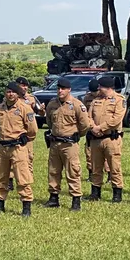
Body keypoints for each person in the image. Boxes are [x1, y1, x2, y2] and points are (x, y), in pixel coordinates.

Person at [44, 77, 91, 211]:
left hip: (69, 144)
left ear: (69, 90)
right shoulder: (52, 104)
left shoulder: (76, 104)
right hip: (55, 142)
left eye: (63, 89)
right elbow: (49, 121)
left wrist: (76, 134)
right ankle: (53, 198)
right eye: (58, 88)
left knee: (73, 171)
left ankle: (76, 199)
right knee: (53, 171)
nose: (60, 91)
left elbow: (85, 124)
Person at [0, 82, 37, 216]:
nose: (10, 94)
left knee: (22, 177)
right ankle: (0, 202)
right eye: (8, 92)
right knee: (1, 176)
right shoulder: (0, 108)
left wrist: (24, 138)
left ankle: (26, 205)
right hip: (3, 146)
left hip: (18, 147)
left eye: (13, 92)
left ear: (17, 94)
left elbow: (33, 129)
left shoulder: (25, 108)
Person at [87, 75, 126, 203]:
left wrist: (101, 128)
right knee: (96, 166)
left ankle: (117, 193)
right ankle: (95, 192)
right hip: (96, 139)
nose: (98, 88)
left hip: (111, 139)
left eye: (100, 86)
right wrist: (93, 128)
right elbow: (89, 116)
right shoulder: (95, 100)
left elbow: (116, 119)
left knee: (114, 166)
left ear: (108, 87)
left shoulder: (119, 100)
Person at [82, 78, 101, 177]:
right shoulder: (87, 98)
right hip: (90, 128)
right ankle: (90, 172)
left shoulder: (103, 98)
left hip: (102, 128)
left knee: (104, 153)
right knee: (89, 151)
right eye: (92, 92)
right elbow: (84, 113)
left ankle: (109, 174)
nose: (94, 94)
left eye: (96, 91)